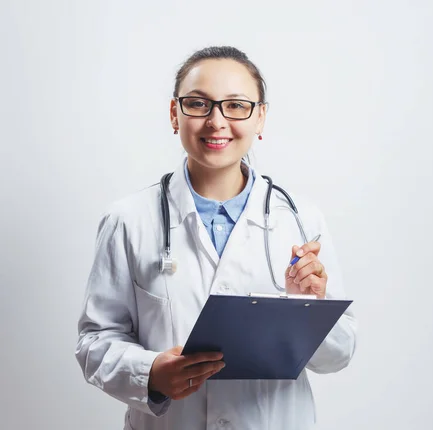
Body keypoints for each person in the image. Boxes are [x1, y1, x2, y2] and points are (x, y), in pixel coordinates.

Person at [75, 46, 357, 430]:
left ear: (260, 118)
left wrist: (310, 309)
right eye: (198, 104)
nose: (216, 121)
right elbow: (95, 342)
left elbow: (338, 355)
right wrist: (151, 373)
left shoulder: (301, 220)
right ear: (175, 114)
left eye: (237, 106)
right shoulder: (128, 220)